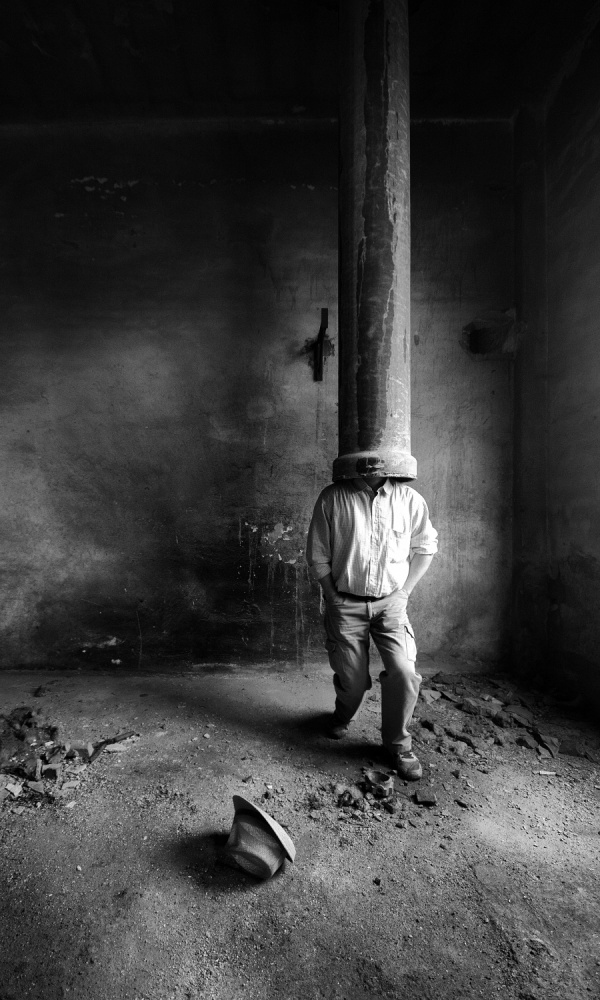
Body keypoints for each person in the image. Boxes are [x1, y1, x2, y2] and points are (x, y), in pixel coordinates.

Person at [306, 473, 438, 781]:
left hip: (391, 605)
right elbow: (317, 554)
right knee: (352, 681)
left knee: (404, 673)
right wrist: (333, 596)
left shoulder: (409, 499)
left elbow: (426, 547)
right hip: (346, 604)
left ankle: (398, 745)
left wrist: (404, 593)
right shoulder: (332, 497)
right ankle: (342, 715)